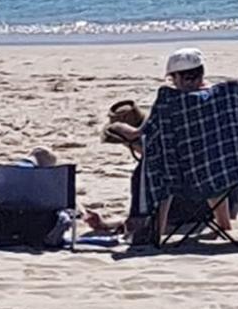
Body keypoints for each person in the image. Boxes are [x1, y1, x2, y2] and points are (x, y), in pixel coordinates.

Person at [85, 47, 219, 238]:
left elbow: (141, 137)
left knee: (147, 169)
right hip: (222, 191)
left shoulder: (169, 104)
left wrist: (119, 129)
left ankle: (137, 224)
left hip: (184, 191)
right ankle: (126, 223)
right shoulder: (221, 100)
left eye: (172, 79)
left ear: (177, 78)